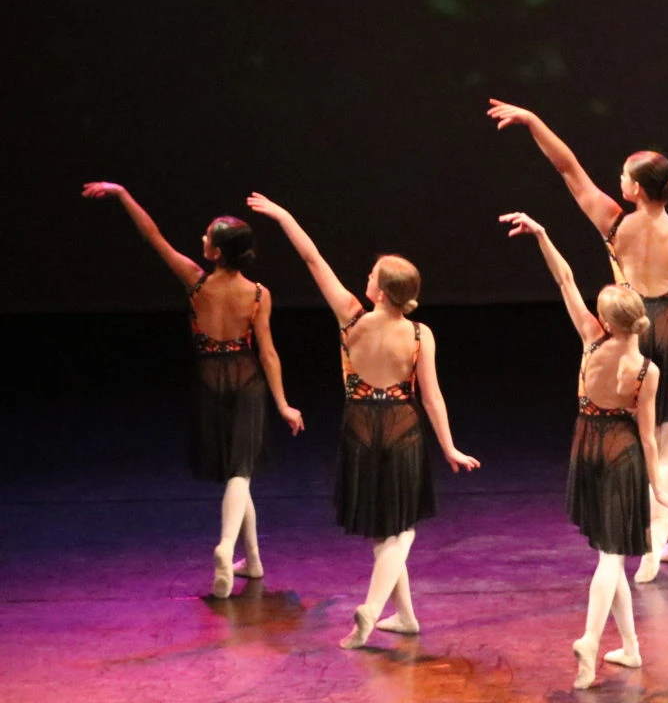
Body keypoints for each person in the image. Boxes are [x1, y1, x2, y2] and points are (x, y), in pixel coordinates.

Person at [487, 101, 668, 578]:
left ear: (637, 189)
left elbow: (567, 168)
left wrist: (534, 121)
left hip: (628, 332)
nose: (617, 182)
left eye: (623, 177)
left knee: (652, 446)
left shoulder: (613, 221)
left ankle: (658, 541)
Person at [246, 194, 481, 648]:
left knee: (385, 530)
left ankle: (390, 614)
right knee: (399, 528)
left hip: (358, 425)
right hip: (401, 428)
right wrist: (448, 446)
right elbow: (431, 397)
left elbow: (312, 259)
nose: (365, 278)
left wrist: (284, 214)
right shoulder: (418, 334)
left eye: (371, 276)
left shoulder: (350, 316)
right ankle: (382, 612)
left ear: (380, 291)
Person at [82, 183, 303, 598]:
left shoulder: (194, 281)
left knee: (240, 471)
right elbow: (269, 354)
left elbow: (153, 237)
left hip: (208, 380)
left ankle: (250, 558)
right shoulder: (258, 294)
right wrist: (283, 403)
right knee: (241, 470)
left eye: (206, 237)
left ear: (217, 251)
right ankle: (229, 547)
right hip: (247, 379)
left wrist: (124, 194)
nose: (201, 240)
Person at [500, 212, 668, 688]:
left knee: (610, 554)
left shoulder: (590, 342)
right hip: (622, 451)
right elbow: (648, 437)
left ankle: (628, 647)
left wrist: (543, 234)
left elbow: (564, 278)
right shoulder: (648, 370)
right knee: (612, 556)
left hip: (587, 446)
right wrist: (660, 489)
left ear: (605, 320)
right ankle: (591, 637)